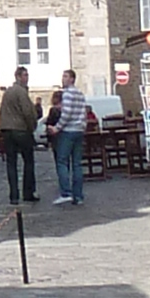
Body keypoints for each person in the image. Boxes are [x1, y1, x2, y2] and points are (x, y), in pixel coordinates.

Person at [0, 72, 41, 210]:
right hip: (20, 129)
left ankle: (13, 195)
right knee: (28, 161)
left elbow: (2, 111)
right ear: (18, 77)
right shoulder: (21, 92)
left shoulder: (7, 92)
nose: (27, 78)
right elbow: (28, 112)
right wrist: (32, 126)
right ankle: (28, 192)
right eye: (25, 75)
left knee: (11, 163)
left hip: (7, 129)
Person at [50, 68, 92, 205]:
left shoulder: (67, 94)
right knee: (77, 164)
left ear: (72, 79)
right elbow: (84, 112)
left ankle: (66, 192)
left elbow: (66, 114)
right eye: (63, 76)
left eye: (66, 76)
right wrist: (82, 126)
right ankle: (78, 195)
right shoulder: (80, 94)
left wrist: (57, 128)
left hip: (68, 131)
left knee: (62, 161)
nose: (63, 79)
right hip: (79, 130)